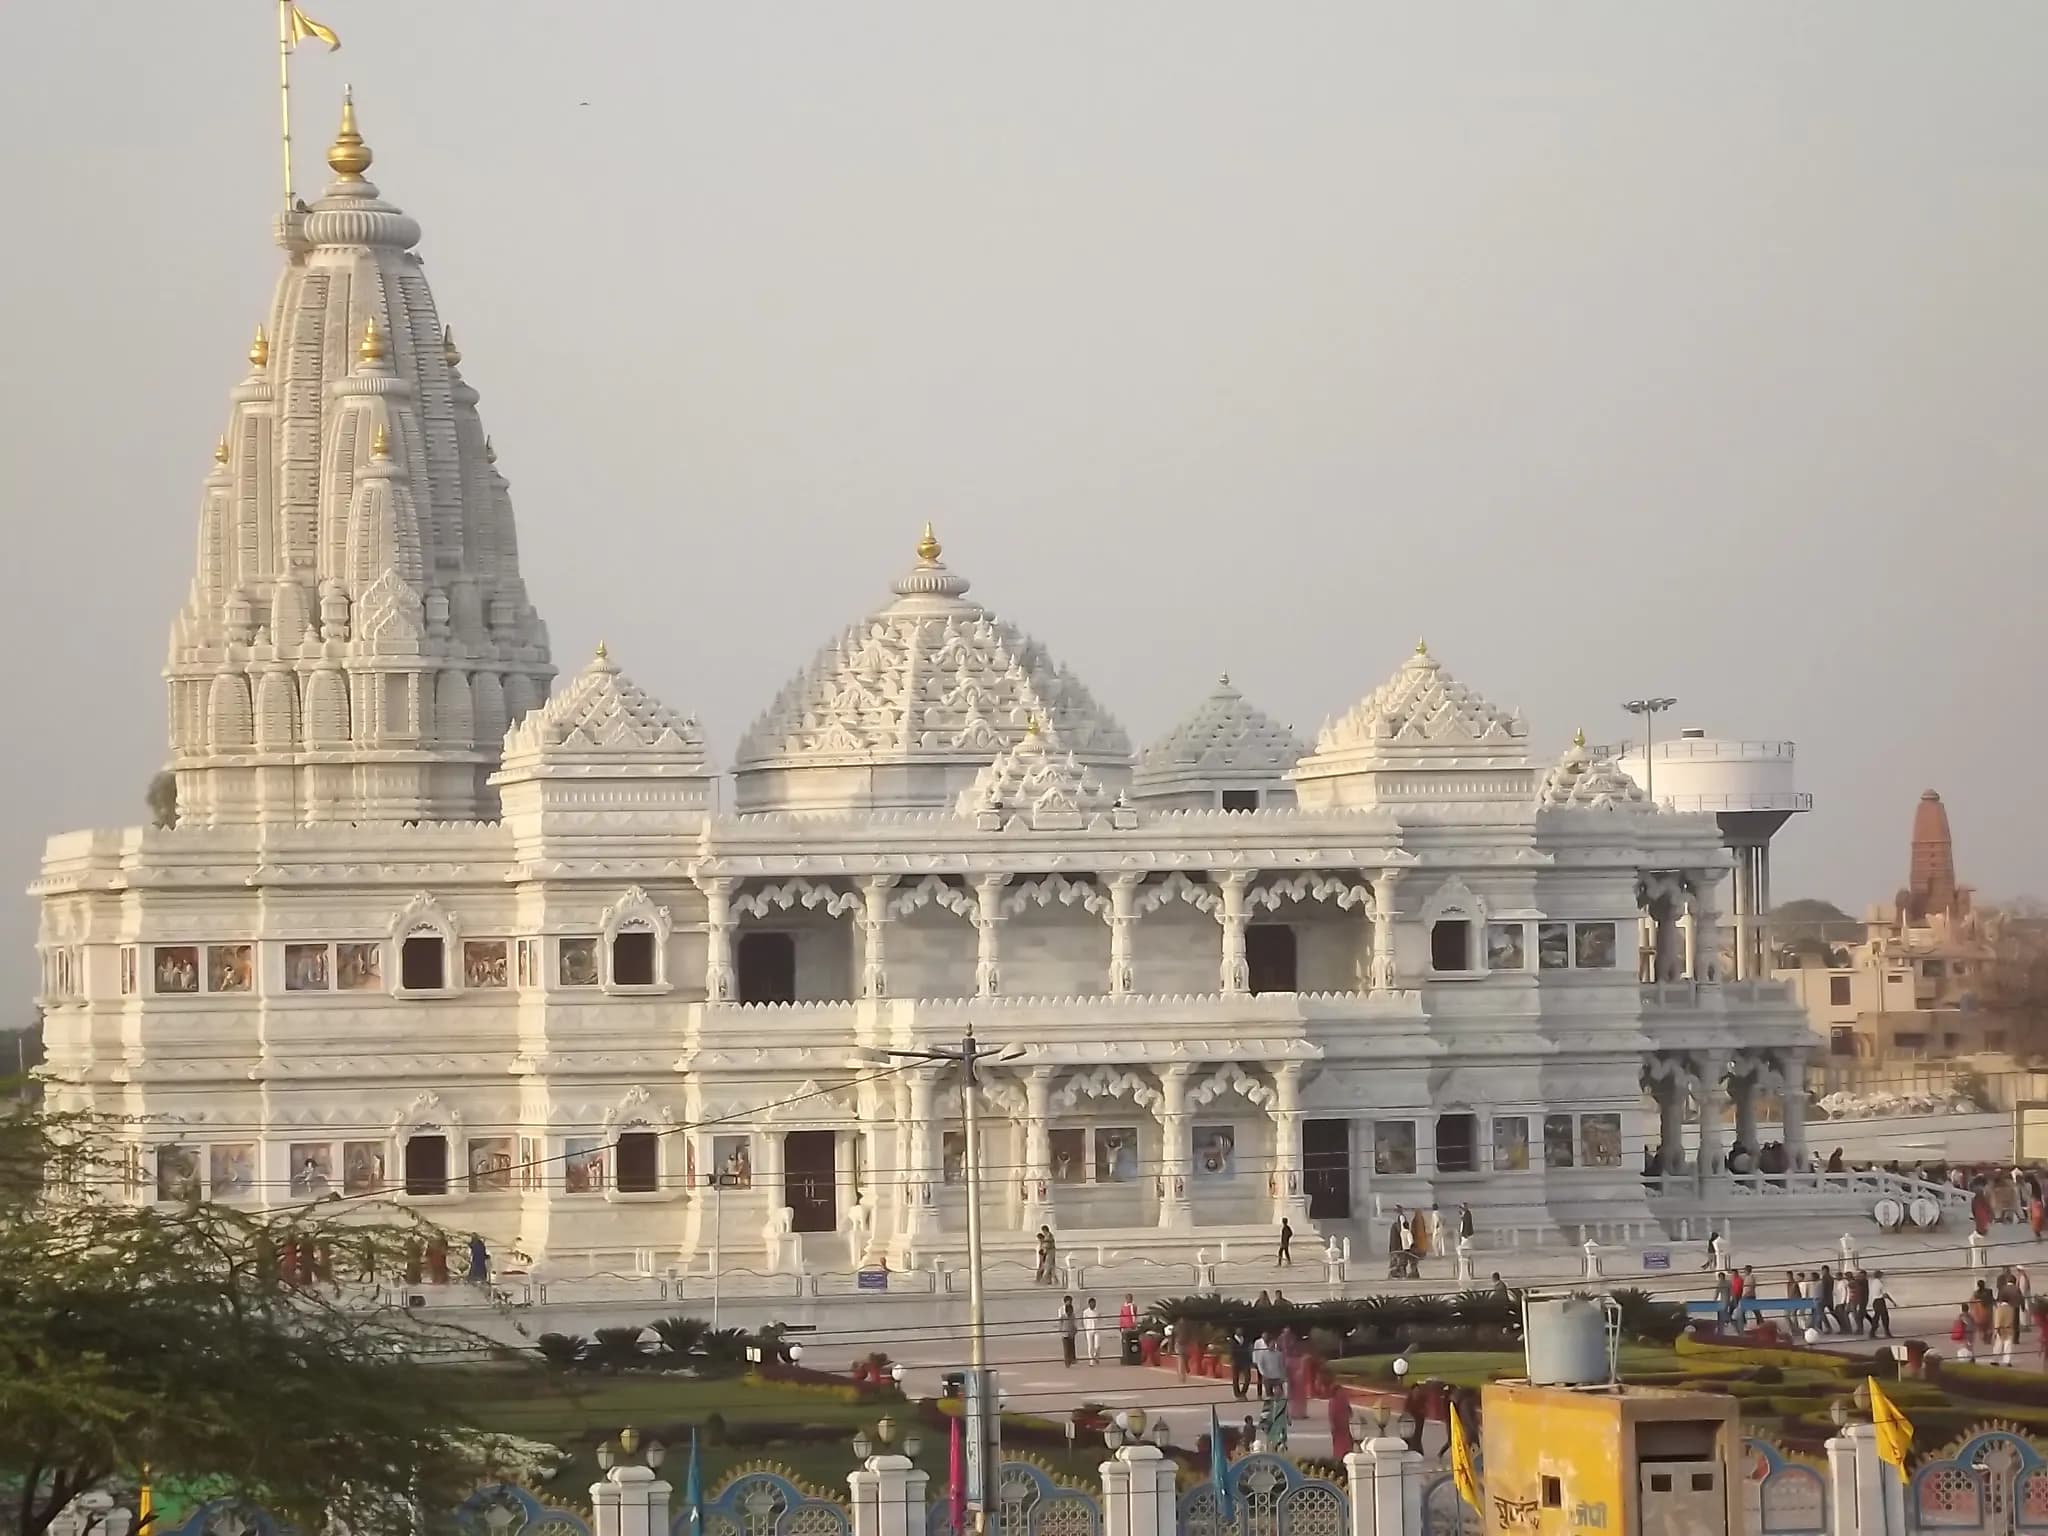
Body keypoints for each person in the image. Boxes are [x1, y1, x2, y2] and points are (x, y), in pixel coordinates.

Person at [1229, 1325, 1254, 1400]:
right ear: (1236, 1331)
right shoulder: (1232, 1340)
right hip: (1236, 1361)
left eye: (1241, 1329)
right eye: (1238, 1329)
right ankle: (1237, 1395)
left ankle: (1243, 1393)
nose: (1240, 1331)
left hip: (1245, 1361)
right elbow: (1232, 1351)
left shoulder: (1245, 1339)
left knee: (1247, 1378)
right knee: (1235, 1379)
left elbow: (1248, 1350)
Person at [1995, 1295, 2018, 1367]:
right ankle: (2007, 1361)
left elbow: (1997, 1320)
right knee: (2008, 1346)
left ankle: (1995, 1360)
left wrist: (1996, 1329)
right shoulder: (2011, 1309)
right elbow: (2013, 1320)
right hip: (2009, 1329)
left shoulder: (1999, 1309)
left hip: (2001, 1329)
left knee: (1998, 1345)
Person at [1869, 1270, 1893, 1339]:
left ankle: (1872, 1332)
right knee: (1885, 1317)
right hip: (1880, 1301)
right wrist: (1892, 1301)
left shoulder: (1873, 1283)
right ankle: (1886, 1333)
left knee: (1876, 1317)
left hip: (1875, 1301)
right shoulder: (1880, 1283)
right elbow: (1885, 1294)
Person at [1058, 1297, 1078, 1367]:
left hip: (1071, 1333)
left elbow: (1074, 1323)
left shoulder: (1073, 1315)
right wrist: (1060, 1330)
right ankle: (1067, 1361)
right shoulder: (1062, 1313)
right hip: (1065, 1334)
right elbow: (1060, 1322)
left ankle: (1072, 1358)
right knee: (1066, 1348)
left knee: (1071, 1346)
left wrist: (1075, 1330)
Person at [1082, 1296, 1102, 1363]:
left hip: (1097, 1330)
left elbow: (1100, 1319)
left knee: (1097, 1345)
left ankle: (1096, 1356)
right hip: (1089, 1330)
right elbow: (1084, 1321)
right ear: (1089, 1304)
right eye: (1092, 1303)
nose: (1093, 1305)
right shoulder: (1085, 1312)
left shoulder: (1098, 1311)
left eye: (1094, 1303)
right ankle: (1091, 1360)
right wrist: (1085, 1330)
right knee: (1090, 1346)